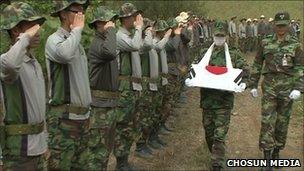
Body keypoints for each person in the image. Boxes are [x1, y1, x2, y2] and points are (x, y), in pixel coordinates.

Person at [249, 11, 303, 171]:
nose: (281, 29)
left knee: (282, 122)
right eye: (278, 26)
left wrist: (299, 88)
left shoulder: (296, 45)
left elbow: (300, 67)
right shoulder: (265, 43)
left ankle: (277, 152)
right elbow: (257, 63)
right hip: (270, 88)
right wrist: (253, 84)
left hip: (287, 89)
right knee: (267, 122)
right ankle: (267, 158)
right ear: (274, 26)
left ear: (288, 25)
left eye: (284, 26)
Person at [0, 2, 48, 170]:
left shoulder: (33, 62)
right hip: (19, 150)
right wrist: (25, 37)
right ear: (15, 31)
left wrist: (45, 141)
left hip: (38, 148)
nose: (38, 31)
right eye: (32, 27)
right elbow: (11, 65)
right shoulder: (7, 61)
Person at [45, 0, 92, 170]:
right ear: (64, 14)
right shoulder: (54, 40)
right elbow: (64, 54)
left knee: (81, 165)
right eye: (77, 11)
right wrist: (77, 30)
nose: (81, 15)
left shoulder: (76, 42)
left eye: (83, 11)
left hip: (82, 119)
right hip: (64, 120)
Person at [199, 21, 250, 171]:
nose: (219, 38)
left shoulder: (233, 53)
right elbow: (195, 67)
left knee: (219, 135)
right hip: (207, 101)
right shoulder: (205, 52)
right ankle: (215, 154)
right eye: (217, 35)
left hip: (224, 102)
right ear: (213, 35)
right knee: (209, 133)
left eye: (222, 36)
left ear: (226, 36)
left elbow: (245, 68)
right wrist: (190, 77)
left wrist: (244, 82)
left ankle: (217, 164)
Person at [87, 6, 118, 170]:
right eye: (109, 21)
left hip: (108, 103)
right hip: (100, 105)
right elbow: (111, 52)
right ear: (99, 24)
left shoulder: (105, 43)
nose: (112, 24)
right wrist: (112, 30)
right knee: (97, 151)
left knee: (105, 149)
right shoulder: (98, 44)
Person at [115, 3, 144, 170]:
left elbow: (140, 46)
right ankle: (120, 163)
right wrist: (139, 28)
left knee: (129, 124)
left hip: (131, 86)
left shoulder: (130, 35)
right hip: (124, 87)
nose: (135, 19)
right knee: (123, 126)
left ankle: (124, 160)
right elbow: (135, 45)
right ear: (125, 19)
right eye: (133, 16)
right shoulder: (120, 36)